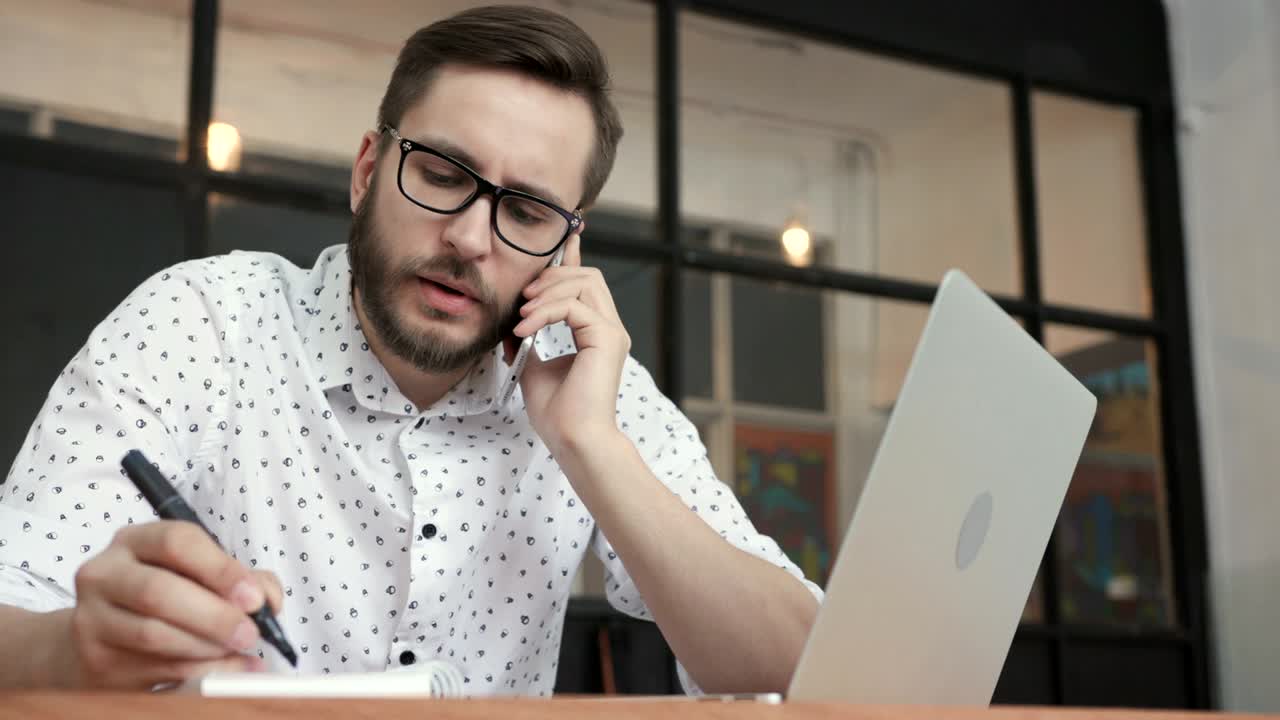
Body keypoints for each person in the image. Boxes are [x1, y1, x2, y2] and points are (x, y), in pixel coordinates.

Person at [0, 5, 820, 695]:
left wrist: (589, 443)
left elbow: (803, 666)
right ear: (367, 170)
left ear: (565, 248)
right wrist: (77, 646)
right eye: (440, 173)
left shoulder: (591, 387)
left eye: (527, 213)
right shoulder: (202, 322)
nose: (468, 238)